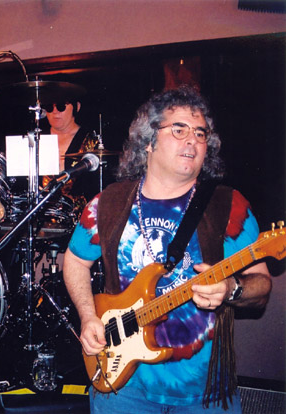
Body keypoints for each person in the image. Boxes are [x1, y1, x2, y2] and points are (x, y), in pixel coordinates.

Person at [63, 85, 272, 413]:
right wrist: (88, 317)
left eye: (200, 133)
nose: (192, 140)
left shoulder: (229, 206)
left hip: (204, 393)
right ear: (148, 141)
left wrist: (232, 289)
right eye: (179, 129)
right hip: (121, 384)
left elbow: (261, 285)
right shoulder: (108, 203)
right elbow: (75, 261)